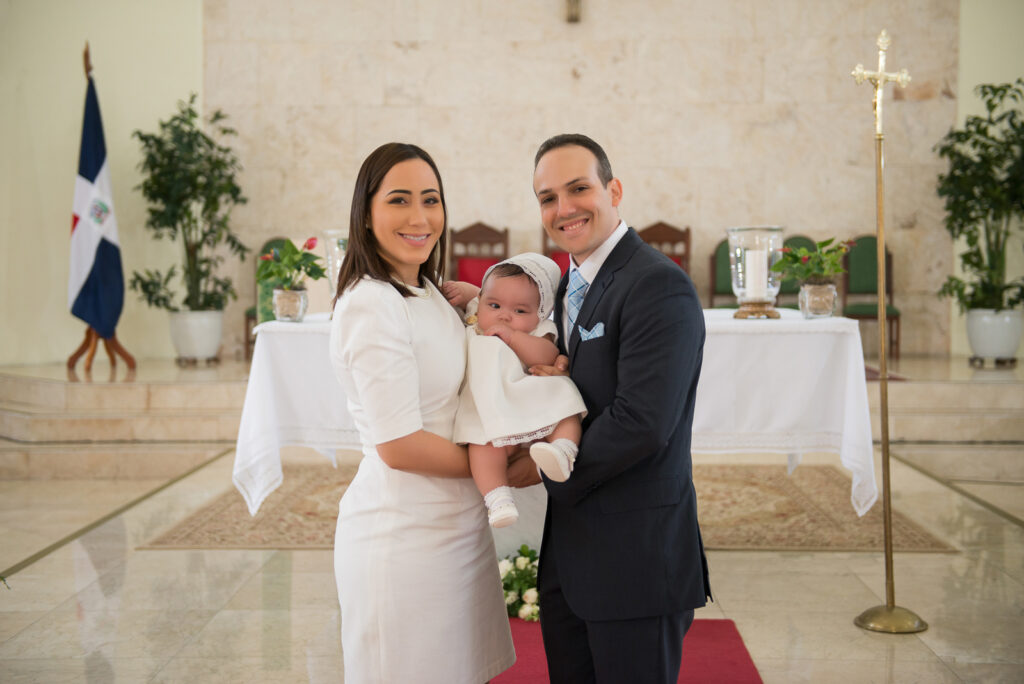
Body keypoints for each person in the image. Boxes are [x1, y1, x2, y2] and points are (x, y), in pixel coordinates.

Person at [527, 133, 712, 683]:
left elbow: (643, 424)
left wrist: (535, 469)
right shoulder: (567, 285)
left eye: (579, 188)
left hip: (636, 560)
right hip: (572, 558)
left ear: (614, 189)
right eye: (547, 197)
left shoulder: (657, 285)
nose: (564, 209)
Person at [328, 142, 515, 683]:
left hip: (454, 529)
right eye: (400, 200)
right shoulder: (370, 303)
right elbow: (400, 444)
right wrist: (502, 471)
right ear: (366, 213)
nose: (420, 217)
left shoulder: (424, 289)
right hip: (403, 538)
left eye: (431, 200)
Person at [447, 253, 586, 528]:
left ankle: (564, 450)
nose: (504, 316)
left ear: (540, 314)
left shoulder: (539, 331)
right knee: (481, 444)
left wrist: (514, 337)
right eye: (495, 305)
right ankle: (498, 498)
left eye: (520, 311)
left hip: (526, 392)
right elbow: (474, 295)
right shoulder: (477, 318)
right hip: (489, 406)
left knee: (564, 404)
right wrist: (462, 290)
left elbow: (547, 355)